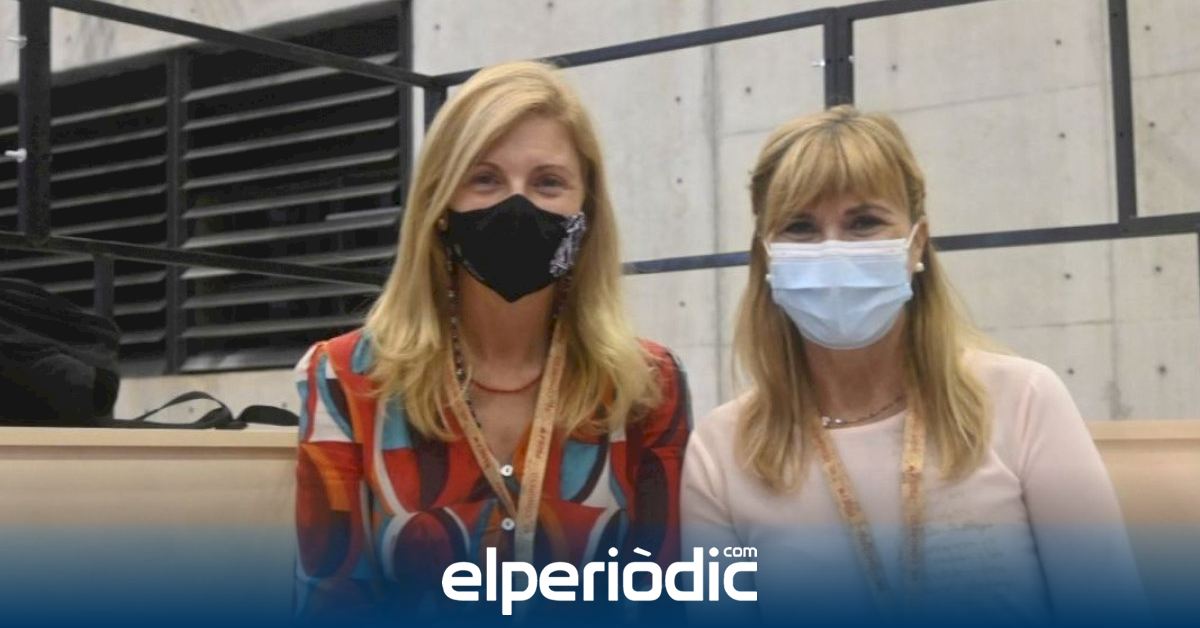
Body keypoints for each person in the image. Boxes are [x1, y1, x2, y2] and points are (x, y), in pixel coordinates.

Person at [682, 105, 1146, 625]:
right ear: (767, 256)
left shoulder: (1022, 400)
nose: (833, 249)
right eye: (800, 227)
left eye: (863, 222)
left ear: (916, 243)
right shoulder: (722, 450)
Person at [293, 61, 691, 619]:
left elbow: (663, 602)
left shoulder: (648, 384)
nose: (516, 204)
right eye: (485, 179)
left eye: (548, 182)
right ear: (440, 206)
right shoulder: (345, 377)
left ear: (586, 212)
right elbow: (332, 602)